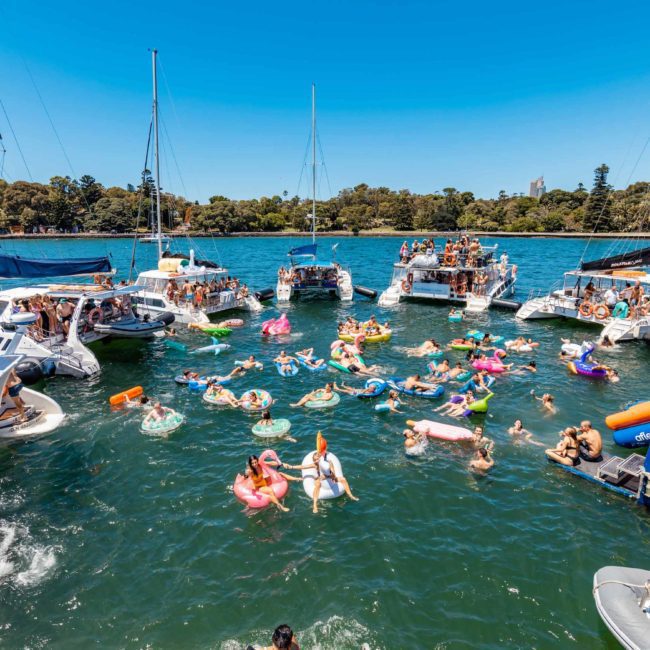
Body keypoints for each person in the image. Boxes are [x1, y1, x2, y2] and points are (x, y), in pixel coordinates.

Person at [283, 434, 358, 513]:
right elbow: (303, 467)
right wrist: (291, 467)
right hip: (320, 479)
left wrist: (330, 476)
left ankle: (350, 495)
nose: (316, 461)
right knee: (318, 484)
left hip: (329, 477)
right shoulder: (315, 465)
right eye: (315, 460)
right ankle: (315, 504)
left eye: (317, 459)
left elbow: (333, 473)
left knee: (343, 479)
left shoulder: (329, 462)